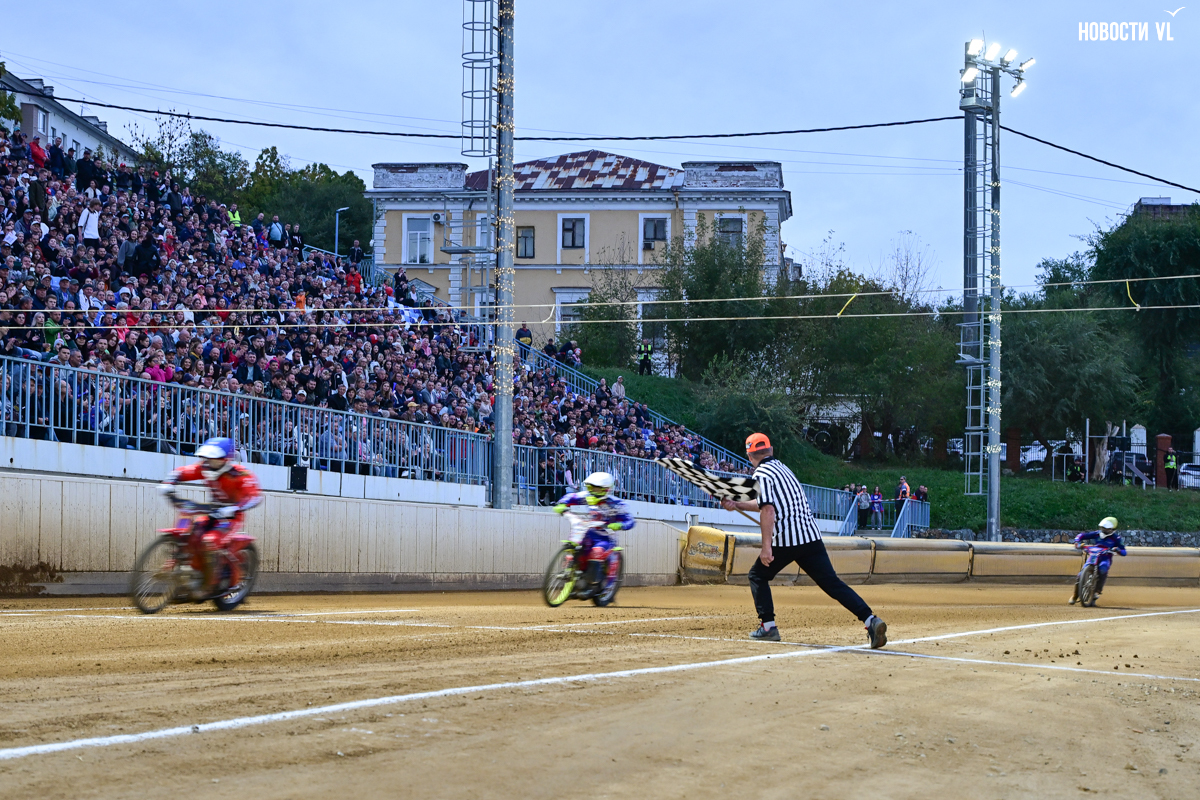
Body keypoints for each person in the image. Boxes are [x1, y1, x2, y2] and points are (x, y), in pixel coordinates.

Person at [722, 433, 887, 647]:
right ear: (771, 450)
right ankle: (870, 620)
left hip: (787, 539)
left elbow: (768, 510)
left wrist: (766, 548)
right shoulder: (783, 469)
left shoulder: (761, 474)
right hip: (810, 537)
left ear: (749, 456)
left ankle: (768, 626)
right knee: (832, 583)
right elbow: (766, 503)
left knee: (757, 575)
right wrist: (738, 504)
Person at [158, 437, 263, 595]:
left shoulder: (240, 474)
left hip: (231, 518)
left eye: (214, 458)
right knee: (190, 534)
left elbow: (255, 496)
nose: (209, 461)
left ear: (225, 458)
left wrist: (235, 508)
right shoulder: (204, 468)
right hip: (212, 513)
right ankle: (190, 574)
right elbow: (183, 472)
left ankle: (209, 584)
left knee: (209, 541)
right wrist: (168, 482)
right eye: (207, 457)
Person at [552, 471, 634, 598]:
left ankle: (593, 586)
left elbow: (630, 520)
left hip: (606, 537)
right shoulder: (587, 496)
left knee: (597, 552)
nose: (594, 491)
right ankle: (573, 578)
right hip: (588, 533)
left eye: (597, 488)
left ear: (606, 489)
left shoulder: (617, 504)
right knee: (576, 547)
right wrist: (562, 504)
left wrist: (619, 525)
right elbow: (572, 497)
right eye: (592, 488)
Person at [1068, 516, 1127, 606]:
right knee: (1080, 575)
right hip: (1093, 556)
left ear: (1112, 529)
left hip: (1105, 558)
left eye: (1106, 528)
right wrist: (1077, 542)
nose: (1103, 530)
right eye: (1102, 528)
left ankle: (1097, 591)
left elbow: (1124, 552)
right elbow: (1082, 535)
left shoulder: (1116, 538)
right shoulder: (1096, 534)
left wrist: (1117, 549)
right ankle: (1075, 595)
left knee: (1103, 569)